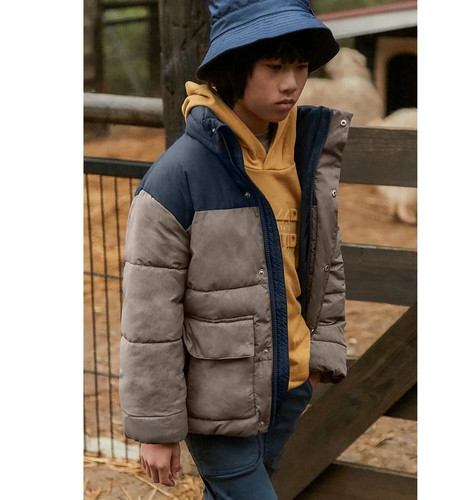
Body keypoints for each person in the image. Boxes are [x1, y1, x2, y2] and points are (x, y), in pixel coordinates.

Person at [119, 1, 351, 498]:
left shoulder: (303, 156)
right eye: (275, 67)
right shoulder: (178, 176)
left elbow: (325, 263)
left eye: (300, 67)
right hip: (217, 402)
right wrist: (157, 428)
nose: (292, 83)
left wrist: (318, 356)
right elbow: (149, 315)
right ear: (232, 67)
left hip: (288, 388)